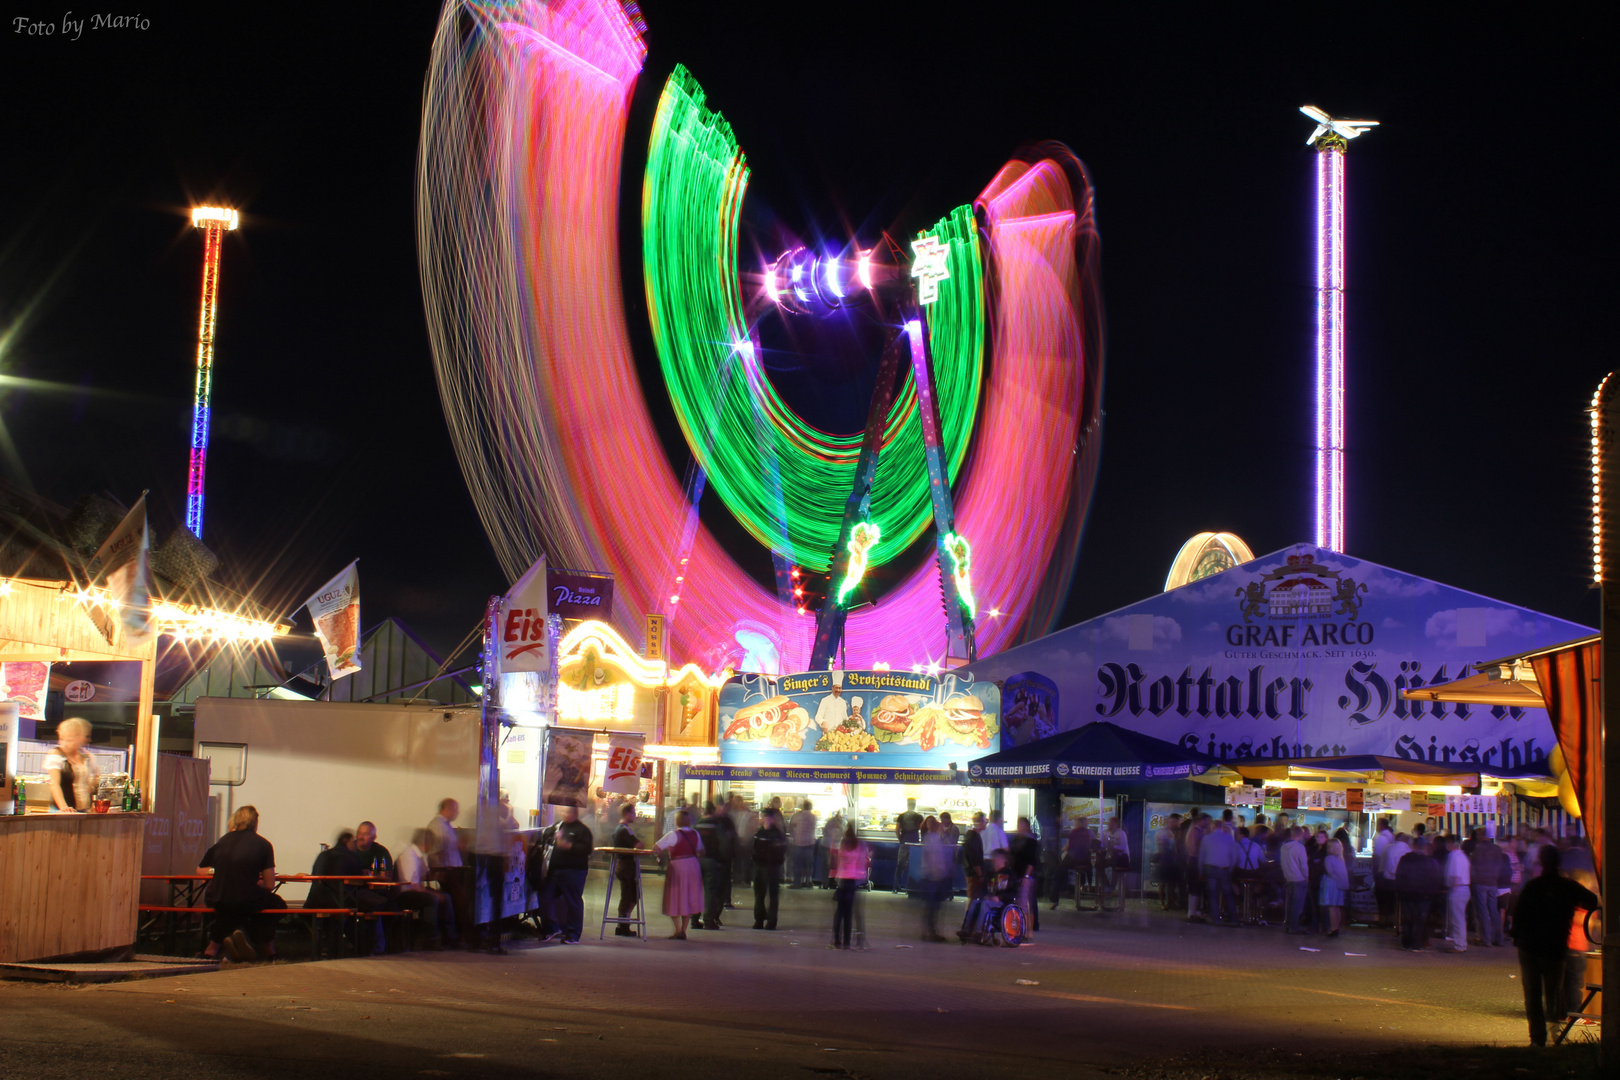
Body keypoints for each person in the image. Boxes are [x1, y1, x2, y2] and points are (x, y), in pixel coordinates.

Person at [1512, 844, 1601, 1047]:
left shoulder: (1533, 886)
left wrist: (1518, 938)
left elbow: (1518, 915)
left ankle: (1537, 1039)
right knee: (1553, 994)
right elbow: (1592, 901)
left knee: (1532, 995)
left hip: (1530, 947)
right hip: (1554, 946)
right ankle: (1556, 1036)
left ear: (1541, 862)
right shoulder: (1567, 886)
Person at [198, 805, 285, 962]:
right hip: (247, 898)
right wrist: (251, 882)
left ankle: (211, 950)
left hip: (219, 897)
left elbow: (200, 869)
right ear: (255, 822)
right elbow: (269, 884)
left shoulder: (222, 842)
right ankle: (266, 949)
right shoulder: (263, 844)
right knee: (277, 905)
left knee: (229, 912)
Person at [395, 828, 454, 948]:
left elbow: (425, 876)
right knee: (432, 899)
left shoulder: (420, 856)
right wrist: (434, 893)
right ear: (427, 843)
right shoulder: (409, 855)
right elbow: (413, 885)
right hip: (406, 893)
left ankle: (448, 937)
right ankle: (431, 937)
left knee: (446, 897)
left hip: (415, 890)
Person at [427, 798, 472, 949]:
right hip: (447, 871)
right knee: (459, 903)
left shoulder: (446, 826)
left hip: (452, 870)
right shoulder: (438, 826)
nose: (457, 813)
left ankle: (458, 936)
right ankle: (456, 937)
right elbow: (437, 850)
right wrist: (440, 870)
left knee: (460, 902)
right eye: (455, 809)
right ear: (447, 809)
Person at [654, 809, 704, 939]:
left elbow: (657, 847)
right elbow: (701, 850)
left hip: (677, 865)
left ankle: (677, 930)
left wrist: (660, 858)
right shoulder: (695, 834)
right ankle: (684, 929)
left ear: (676, 821)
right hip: (693, 865)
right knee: (688, 896)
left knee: (675, 896)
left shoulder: (673, 835)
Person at [351, 820, 398, 955]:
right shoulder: (349, 850)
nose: (360, 837)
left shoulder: (381, 852)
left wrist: (368, 874)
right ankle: (369, 945)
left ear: (374, 837)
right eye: (359, 833)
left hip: (377, 890)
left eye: (365, 834)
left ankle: (381, 944)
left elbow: (387, 876)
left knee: (392, 908)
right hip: (354, 891)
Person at [1396, 838, 1443, 951]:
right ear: (1424, 847)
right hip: (1423, 895)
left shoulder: (1405, 859)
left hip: (1407, 893)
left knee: (1407, 919)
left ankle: (1406, 942)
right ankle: (1416, 943)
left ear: (1414, 846)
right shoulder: (1429, 861)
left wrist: (1400, 890)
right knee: (1419, 919)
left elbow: (1399, 875)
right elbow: (1435, 878)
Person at [45, 716, 98, 813]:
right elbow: (54, 784)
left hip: (83, 810)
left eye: (69, 740)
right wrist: (64, 808)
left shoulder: (87, 756)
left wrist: (90, 786)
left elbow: (96, 775)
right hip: (61, 810)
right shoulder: (56, 755)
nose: (64, 743)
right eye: (62, 739)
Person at [830, 824, 870, 949]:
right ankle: (847, 941)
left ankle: (837, 940)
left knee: (839, 912)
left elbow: (835, 863)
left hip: (842, 879)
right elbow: (862, 862)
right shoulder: (858, 845)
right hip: (852, 881)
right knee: (848, 913)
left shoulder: (841, 845)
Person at [1468, 828, 1509, 947]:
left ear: (1481, 836)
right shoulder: (1497, 849)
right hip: (1492, 883)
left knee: (1483, 911)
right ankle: (1498, 938)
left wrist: (1474, 879)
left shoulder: (1477, 849)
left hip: (1480, 883)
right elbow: (1500, 866)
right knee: (1494, 911)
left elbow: (1472, 866)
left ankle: (1486, 939)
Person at [610, 804, 647, 936]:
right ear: (626, 813)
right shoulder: (625, 830)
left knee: (631, 894)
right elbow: (638, 844)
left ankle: (623, 922)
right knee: (628, 895)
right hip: (626, 866)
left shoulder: (620, 829)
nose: (635, 815)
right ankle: (623, 923)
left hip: (623, 865)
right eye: (633, 812)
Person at [751, 808, 789, 930]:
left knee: (772, 895)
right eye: (763, 817)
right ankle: (759, 920)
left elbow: (782, 850)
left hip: (773, 867)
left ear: (772, 819)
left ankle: (771, 922)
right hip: (760, 867)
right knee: (759, 895)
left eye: (766, 817)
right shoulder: (759, 833)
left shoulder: (777, 834)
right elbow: (753, 848)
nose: (764, 819)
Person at [693, 801, 729, 930]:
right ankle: (708, 921)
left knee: (697, 890)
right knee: (710, 892)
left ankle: (694, 919)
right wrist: (723, 860)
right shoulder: (717, 826)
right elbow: (724, 845)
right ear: (713, 811)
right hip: (712, 861)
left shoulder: (696, 825)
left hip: (697, 861)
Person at [918, 817, 953, 942]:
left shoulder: (933, 838)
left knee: (931, 905)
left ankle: (927, 931)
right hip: (932, 876)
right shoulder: (931, 838)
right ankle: (930, 932)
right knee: (933, 905)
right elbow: (931, 856)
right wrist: (937, 870)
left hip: (930, 875)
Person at [1196, 821, 1237, 925]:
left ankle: (1216, 919)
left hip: (1210, 868)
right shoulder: (1228, 838)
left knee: (1212, 894)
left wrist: (1200, 871)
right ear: (1222, 827)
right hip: (1225, 869)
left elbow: (1201, 856)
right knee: (1228, 894)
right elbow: (1233, 855)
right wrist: (1230, 868)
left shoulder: (1206, 838)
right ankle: (1233, 919)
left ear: (1213, 827)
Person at [1008, 817, 1042, 933]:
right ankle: (1024, 925)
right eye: (1019, 825)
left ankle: (1031, 926)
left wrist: (1027, 875)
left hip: (1027, 874)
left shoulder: (1031, 841)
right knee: (1023, 900)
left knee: (1028, 900)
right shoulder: (1017, 840)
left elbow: (1032, 860)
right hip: (1018, 873)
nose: (1019, 828)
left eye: (1021, 825)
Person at [1439, 834, 1470, 953]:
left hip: (1457, 890)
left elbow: (1455, 877)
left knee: (1457, 919)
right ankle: (1460, 943)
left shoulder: (1455, 857)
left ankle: (1460, 945)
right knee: (1459, 918)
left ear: (1451, 843)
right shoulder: (1461, 856)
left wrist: (1449, 887)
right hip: (1463, 888)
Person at [1280, 826, 1309, 934]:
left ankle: (1288, 925)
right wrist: (1307, 877)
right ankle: (1294, 927)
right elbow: (1303, 865)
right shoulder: (1300, 847)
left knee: (1290, 903)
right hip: (1299, 879)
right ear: (1301, 835)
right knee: (1297, 905)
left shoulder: (1283, 847)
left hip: (1288, 878)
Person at [1319, 838, 1349, 938]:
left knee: (1332, 907)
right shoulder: (1341, 859)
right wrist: (1343, 883)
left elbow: (1330, 872)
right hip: (1339, 885)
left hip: (1331, 884)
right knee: (1337, 907)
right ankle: (1336, 928)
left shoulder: (1328, 858)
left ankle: (1333, 928)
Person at [1062, 820, 1095, 909]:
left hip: (1076, 861)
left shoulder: (1074, 832)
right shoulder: (1088, 832)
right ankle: (1086, 886)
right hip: (1085, 860)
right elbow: (1092, 844)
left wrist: (1062, 851)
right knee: (1086, 868)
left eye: (1075, 823)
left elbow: (1068, 847)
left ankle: (1065, 889)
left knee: (1061, 867)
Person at [1153, 813, 1182, 911]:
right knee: (1163, 883)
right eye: (1176, 821)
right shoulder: (1162, 832)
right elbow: (1161, 846)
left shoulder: (1173, 832)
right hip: (1164, 860)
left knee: (1171, 883)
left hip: (1172, 860)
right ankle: (1163, 903)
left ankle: (1170, 902)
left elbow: (1175, 847)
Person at [894, 798, 924, 892]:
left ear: (907, 804)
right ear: (915, 805)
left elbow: (897, 829)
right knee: (914, 865)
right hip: (915, 843)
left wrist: (900, 839)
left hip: (904, 842)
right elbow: (922, 830)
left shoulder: (902, 816)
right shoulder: (919, 816)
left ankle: (896, 887)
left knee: (900, 865)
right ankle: (911, 887)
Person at [1101, 816, 1131, 909]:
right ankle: (1107, 885)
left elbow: (1122, 847)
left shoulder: (1121, 833)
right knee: (1099, 865)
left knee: (1115, 863)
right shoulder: (1106, 833)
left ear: (1116, 824)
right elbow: (1103, 845)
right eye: (1109, 823)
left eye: (1111, 823)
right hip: (1111, 856)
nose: (1109, 825)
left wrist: (1112, 847)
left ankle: (1112, 887)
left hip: (1122, 857)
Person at [789, 800, 818, 889]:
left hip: (798, 843)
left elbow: (790, 828)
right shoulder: (814, 817)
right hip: (810, 843)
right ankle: (808, 882)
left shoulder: (797, 816)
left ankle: (797, 883)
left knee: (798, 864)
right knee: (808, 865)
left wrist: (795, 836)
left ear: (803, 807)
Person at [962, 812, 987, 901]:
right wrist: (980, 874)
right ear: (979, 822)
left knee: (972, 898)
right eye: (984, 821)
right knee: (973, 899)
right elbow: (975, 858)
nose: (986, 823)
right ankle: (969, 914)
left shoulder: (971, 836)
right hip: (973, 874)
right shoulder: (974, 837)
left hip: (971, 871)